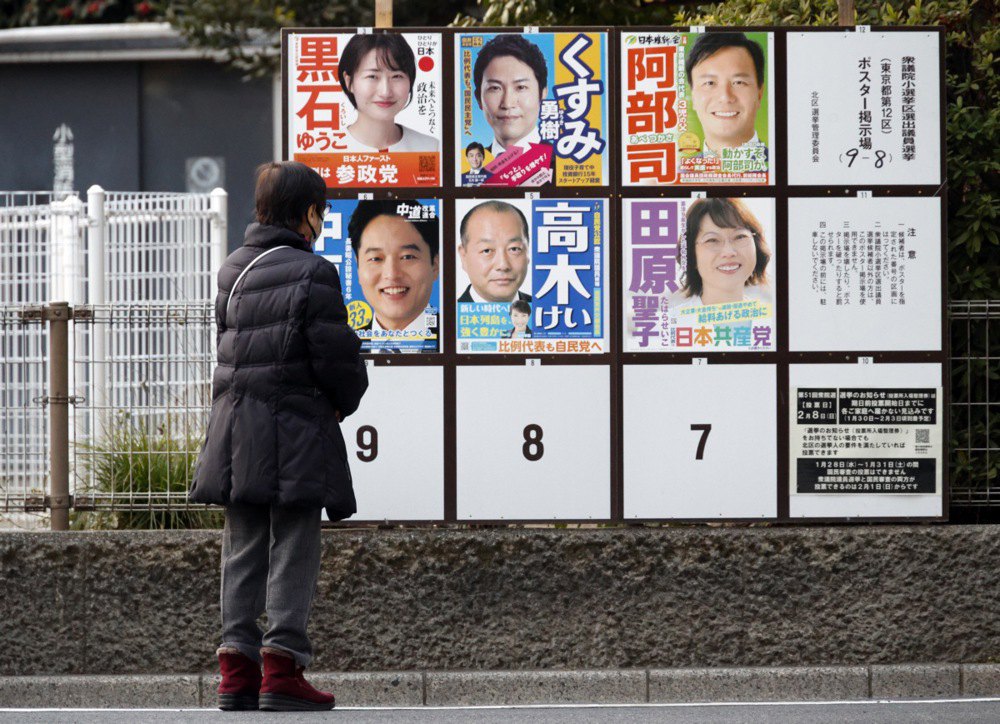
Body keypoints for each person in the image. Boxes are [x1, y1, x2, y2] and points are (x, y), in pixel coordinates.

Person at [190, 161, 368, 712]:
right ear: (307, 212)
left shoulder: (234, 270)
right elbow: (336, 359)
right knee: (293, 543)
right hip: (293, 429)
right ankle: (282, 669)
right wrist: (345, 400)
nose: (323, 220)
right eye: (321, 209)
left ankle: (235, 671)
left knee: (242, 545)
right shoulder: (312, 273)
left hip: (236, 430)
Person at [348, 200, 439, 349]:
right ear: (358, 266)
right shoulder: (342, 349)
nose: (392, 274)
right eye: (376, 259)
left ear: (435, 264)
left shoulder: (458, 340)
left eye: (407, 257)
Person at [337, 34, 438, 152]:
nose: (385, 92)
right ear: (349, 82)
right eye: (372, 76)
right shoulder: (322, 152)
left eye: (397, 76)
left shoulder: (433, 148)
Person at [671, 197, 771, 308]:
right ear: (691, 254)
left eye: (740, 237)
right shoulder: (670, 323)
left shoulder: (773, 318)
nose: (729, 252)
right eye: (712, 240)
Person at [684, 33, 767, 158]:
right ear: (693, 97)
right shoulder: (676, 175)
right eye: (709, 83)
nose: (725, 97)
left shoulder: (786, 166)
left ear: (759, 94)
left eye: (738, 82)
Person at [473, 34, 548, 158]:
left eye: (521, 87)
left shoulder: (563, 163)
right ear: (478, 98)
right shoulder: (467, 170)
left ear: (542, 94)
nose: (507, 104)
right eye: (495, 88)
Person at [457, 200, 532, 303]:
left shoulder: (547, 312)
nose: (503, 265)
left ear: (527, 252)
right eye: (487, 251)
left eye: (514, 249)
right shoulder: (449, 315)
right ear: (463, 256)